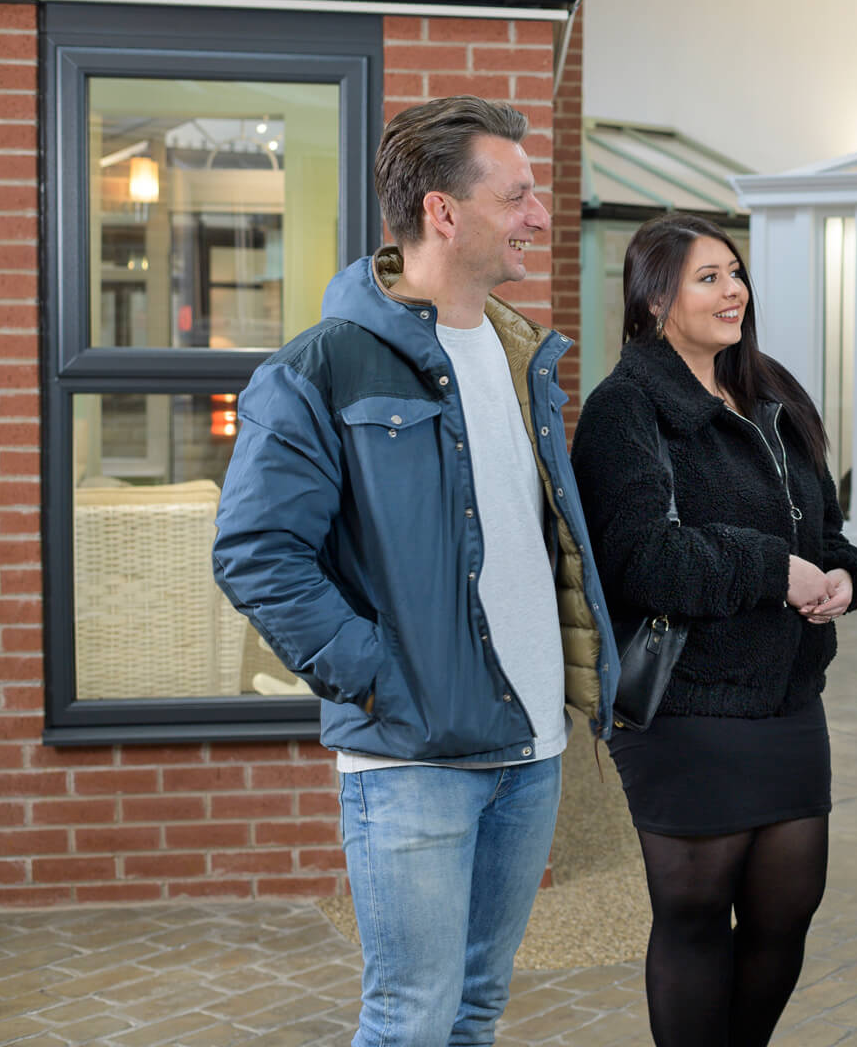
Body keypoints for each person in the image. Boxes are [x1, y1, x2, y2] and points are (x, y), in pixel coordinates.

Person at [212, 96, 618, 1047]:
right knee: (410, 1022)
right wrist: (376, 676)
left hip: (532, 749)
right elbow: (255, 551)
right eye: (515, 196)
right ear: (443, 211)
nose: (538, 215)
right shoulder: (319, 369)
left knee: (475, 1011)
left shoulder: (523, 359)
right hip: (411, 762)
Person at [570, 212, 857, 1047]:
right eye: (708, 277)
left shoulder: (774, 393)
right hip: (687, 703)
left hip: (787, 700)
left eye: (735, 273)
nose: (733, 290)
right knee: (695, 914)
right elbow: (641, 560)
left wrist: (848, 578)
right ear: (654, 298)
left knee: (788, 910)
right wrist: (773, 570)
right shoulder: (625, 409)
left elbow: (827, 532)